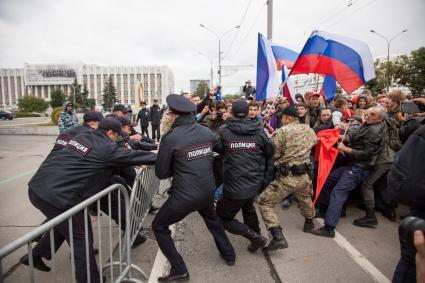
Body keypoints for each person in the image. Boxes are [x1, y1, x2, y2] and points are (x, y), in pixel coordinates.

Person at [21, 118, 157, 282]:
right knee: (82, 239)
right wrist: (165, 155)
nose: (118, 140)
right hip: (59, 196)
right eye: (117, 136)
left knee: (67, 226)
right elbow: (133, 155)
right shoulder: (107, 148)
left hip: (37, 188)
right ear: (110, 133)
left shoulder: (83, 135)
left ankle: (36, 255)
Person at [152, 94, 235, 282]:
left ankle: (179, 270)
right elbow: (222, 148)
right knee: (213, 220)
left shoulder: (170, 138)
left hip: (184, 196)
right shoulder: (205, 132)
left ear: (174, 115)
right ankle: (229, 255)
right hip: (206, 191)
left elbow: (162, 173)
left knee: (159, 225)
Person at [312, 107, 385, 238]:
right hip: (352, 164)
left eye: (372, 114)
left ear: (379, 118)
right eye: (368, 113)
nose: (368, 116)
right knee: (328, 180)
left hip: (359, 167)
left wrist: (346, 149)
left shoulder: (375, 130)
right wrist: (334, 137)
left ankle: (329, 228)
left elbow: (367, 154)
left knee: (338, 191)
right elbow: (353, 136)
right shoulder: (367, 124)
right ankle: (324, 210)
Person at [216, 99, 274, 253]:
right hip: (252, 181)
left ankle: (255, 238)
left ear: (232, 112)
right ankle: (258, 237)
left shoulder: (224, 130)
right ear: (248, 112)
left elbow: (220, 149)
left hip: (235, 185)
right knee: (248, 209)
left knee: (222, 217)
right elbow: (269, 151)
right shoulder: (259, 131)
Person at [258, 106, 317, 251]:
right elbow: (314, 142)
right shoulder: (309, 129)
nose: (281, 121)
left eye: (282, 118)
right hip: (304, 174)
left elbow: (275, 154)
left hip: (288, 176)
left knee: (264, 202)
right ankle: (309, 223)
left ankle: (277, 237)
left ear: (288, 118)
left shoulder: (282, 132)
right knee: (305, 199)